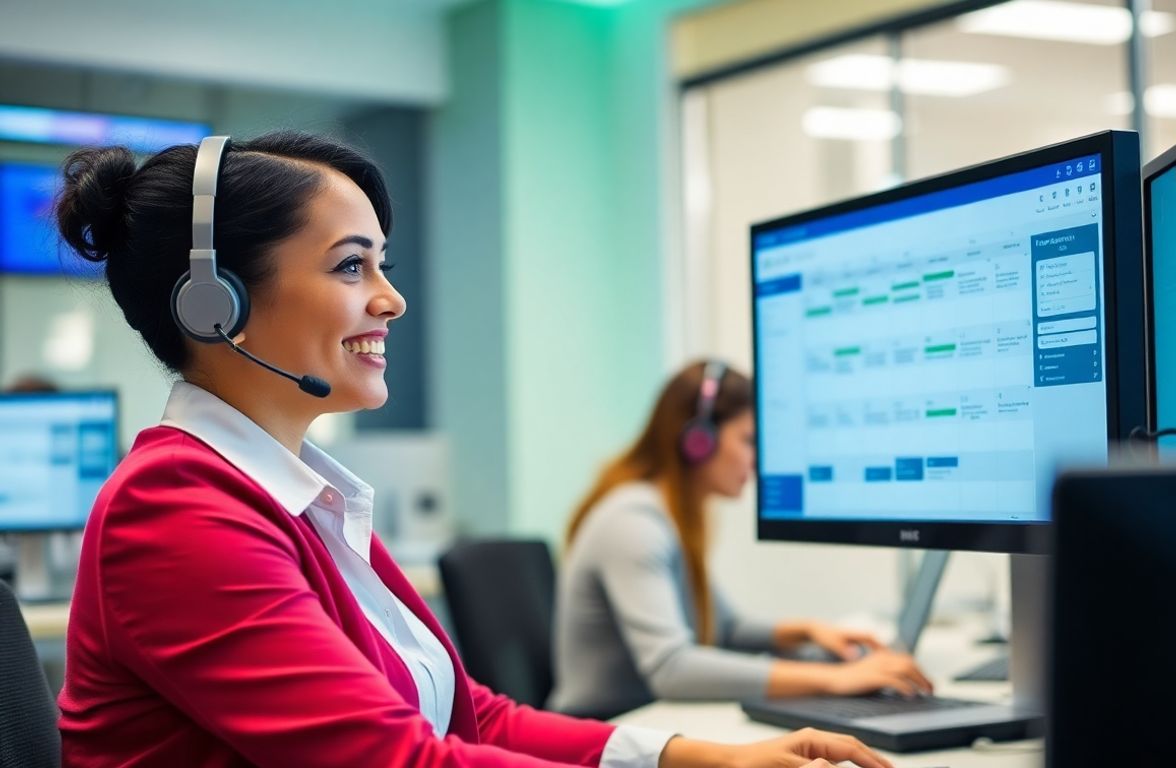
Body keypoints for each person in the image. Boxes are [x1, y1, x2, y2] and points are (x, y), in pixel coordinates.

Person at [52, 132, 892, 768]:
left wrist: (697, 756)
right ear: (213, 303)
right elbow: (401, 762)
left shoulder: (300, 498)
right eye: (352, 267)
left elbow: (470, 717)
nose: (392, 299)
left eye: (382, 264)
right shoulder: (173, 512)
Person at [549, 362, 933, 719]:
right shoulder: (633, 524)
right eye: (748, 440)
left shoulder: (672, 515)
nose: (758, 459)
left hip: (643, 724)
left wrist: (809, 632)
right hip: (592, 741)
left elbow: (724, 629)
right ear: (698, 441)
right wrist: (832, 679)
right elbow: (671, 668)